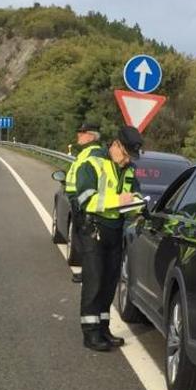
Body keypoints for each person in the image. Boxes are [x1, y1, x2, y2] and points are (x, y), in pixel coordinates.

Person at [74, 125, 144, 351]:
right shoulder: (92, 164)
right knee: (94, 282)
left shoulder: (129, 169)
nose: (127, 161)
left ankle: (103, 328)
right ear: (115, 145)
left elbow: (133, 194)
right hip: (94, 229)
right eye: (125, 155)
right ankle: (90, 333)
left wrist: (139, 206)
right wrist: (120, 201)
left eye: (130, 157)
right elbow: (86, 200)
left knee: (109, 283)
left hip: (116, 231)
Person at [65, 122, 103, 283]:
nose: (78, 135)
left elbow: (89, 183)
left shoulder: (93, 154)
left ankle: (90, 275)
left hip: (85, 203)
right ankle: (88, 273)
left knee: (89, 242)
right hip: (80, 202)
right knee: (84, 241)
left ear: (91, 136)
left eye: (82, 132)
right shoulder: (86, 152)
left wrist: (80, 202)